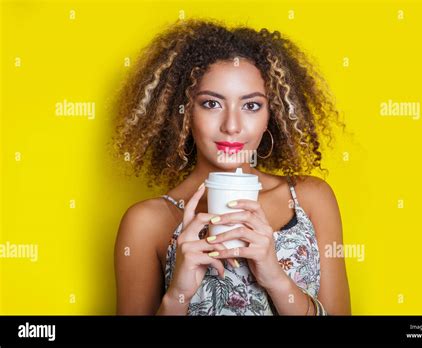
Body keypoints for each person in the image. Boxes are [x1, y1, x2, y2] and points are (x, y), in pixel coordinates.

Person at [113, 18, 351, 315]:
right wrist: (177, 295)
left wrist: (276, 279)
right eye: (212, 104)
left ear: (271, 115)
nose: (232, 126)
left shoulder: (310, 198)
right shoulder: (146, 223)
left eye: (251, 105)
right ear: (185, 113)